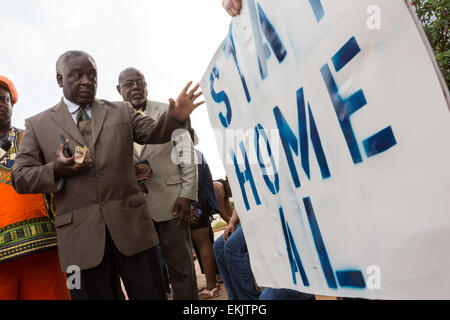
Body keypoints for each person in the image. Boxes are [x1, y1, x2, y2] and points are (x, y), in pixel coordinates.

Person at [11, 50, 203, 300]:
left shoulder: (122, 110)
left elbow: (155, 132)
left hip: (133, 232)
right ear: (60, 79)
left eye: (92, 75)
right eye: (77, 75)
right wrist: (55, 169)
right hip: (80, 244)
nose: (86, 81)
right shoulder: (37, 125)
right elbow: (20, 177)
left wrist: (174, 119)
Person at [117, 67, 199, 300]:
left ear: (146, 85)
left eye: (139, 82)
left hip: (172, 203)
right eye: (129, 84)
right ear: (118, 89)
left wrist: (188, 194)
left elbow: (186, 155)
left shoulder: (169, 112)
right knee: (149, 276)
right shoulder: (113, 119)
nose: (135, 87)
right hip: (135, 211)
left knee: (182, 270)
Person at [0, 75, 70, 300]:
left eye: (4, 100)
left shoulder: (30, 139)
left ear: (12, 105)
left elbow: (57, 175)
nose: (0, 105)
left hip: (42, 244)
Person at [187, 128, 221, 299]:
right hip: (196, 205)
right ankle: (212, 281)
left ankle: (211, 286)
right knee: (201, 244)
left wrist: (193, 206)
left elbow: (195, 184)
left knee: (203, 243)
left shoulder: (194, 155)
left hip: (197, 206)